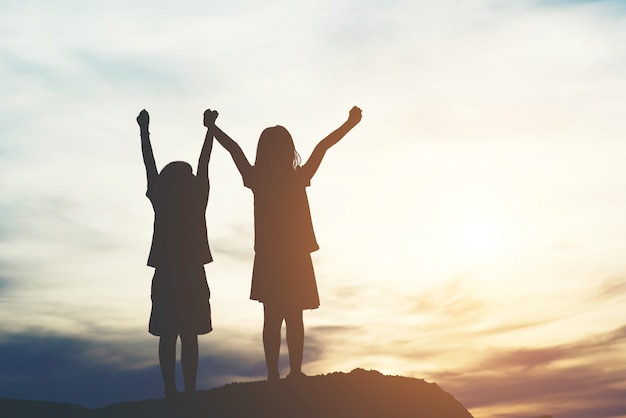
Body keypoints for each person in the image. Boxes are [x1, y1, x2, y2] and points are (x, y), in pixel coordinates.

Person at [208, 106, 362, 381]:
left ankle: (273, 374)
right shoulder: (296, 177)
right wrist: (349, 123)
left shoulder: (257, 178)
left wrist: (212, 127)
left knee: (273, 318)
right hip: (294, 256)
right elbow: (323, 146)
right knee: (294, 317)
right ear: (288, 150)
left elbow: (234, 150)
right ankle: (294, 373)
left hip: (270, 257)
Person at [136, 108, 217, 397]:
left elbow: (150, 164)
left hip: (168, 272)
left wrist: (144, 131)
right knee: (188, 334)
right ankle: (188, 389)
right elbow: (204, 162)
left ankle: (172, 388)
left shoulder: (162, 195)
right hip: (191, 271)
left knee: (169, 335)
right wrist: (210, 130)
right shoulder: (196, 195)